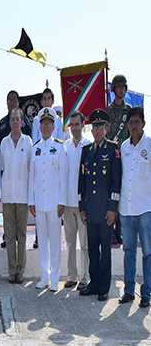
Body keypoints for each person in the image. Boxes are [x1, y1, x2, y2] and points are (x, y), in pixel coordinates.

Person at [79, 109, 121, 302]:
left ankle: (104, 287)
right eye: (94, 127)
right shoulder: (86, 151)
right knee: (93, 249)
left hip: (106, 211)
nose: (97, 131)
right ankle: (94, 284)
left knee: (105, 250)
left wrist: (113, 207)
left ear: (106, 128)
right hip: (91, 209)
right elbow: (82, 182)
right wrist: (82, 207)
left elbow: (116, 182)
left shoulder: (113, 150)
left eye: (100, 127)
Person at [28, 108, 67, 292]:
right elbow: (32, 178)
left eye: (48, 124)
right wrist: (31, 201)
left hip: (53, 203)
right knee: (42, 240)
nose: (45, 127)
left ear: (53, 127)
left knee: (55, 242)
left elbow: (63, 177)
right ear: (40, 126)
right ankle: (45, 275)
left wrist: (62, 202)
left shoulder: (60, 147)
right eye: (42, 124)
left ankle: (55, 277)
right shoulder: (34, 148)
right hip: (40, 202)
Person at [118, 106, 151, 308]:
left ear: (143, 124)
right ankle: (129, 291)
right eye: (131, 122)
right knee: (128, 251)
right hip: (126, 209)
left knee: (148, 252)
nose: (133, 125)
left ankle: (146, 292)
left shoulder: (150, 145)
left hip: (145, 207)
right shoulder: (123, 147)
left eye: (137, 122)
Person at [0, 90, 32, 249]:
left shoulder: (27, 125)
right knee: (9, 227)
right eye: (9, 100)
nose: (12, 103)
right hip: (8, 180)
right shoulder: (2, 123)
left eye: (14, 100)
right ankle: (6, 237)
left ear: (18, 102)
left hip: (22, 183)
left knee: (22, 231)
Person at [0, 108, 32, 284]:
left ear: (22, 122)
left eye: (17, 119)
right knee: (9, 236)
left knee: (22, 235)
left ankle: (21, 271)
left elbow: (31, 170)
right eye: (12, 119)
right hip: (8, 196)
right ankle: (11, 270)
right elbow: (1, 169)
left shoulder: (28, 142)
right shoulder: (3, 143)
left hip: (22, 196)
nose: (14, 122)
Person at [63, 111, 90, 290]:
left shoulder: (88, 145)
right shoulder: (64, 146)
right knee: (70, 242)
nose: (74, 128)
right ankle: (71, 275)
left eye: (77, 124)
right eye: (71, 125)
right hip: (67, 202)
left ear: (83, 125)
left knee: (85, 243)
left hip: (83, 204)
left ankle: (85, 277)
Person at [108, 74, 132, 245]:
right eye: (119, 87)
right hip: (112, 156)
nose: (122, 89)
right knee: (113, 191)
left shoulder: (129, 110)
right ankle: (111, 228)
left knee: (123, 191)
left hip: (126, 156)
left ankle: (120, 229)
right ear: (113, 89)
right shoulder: (108, 110)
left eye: (124, 87)